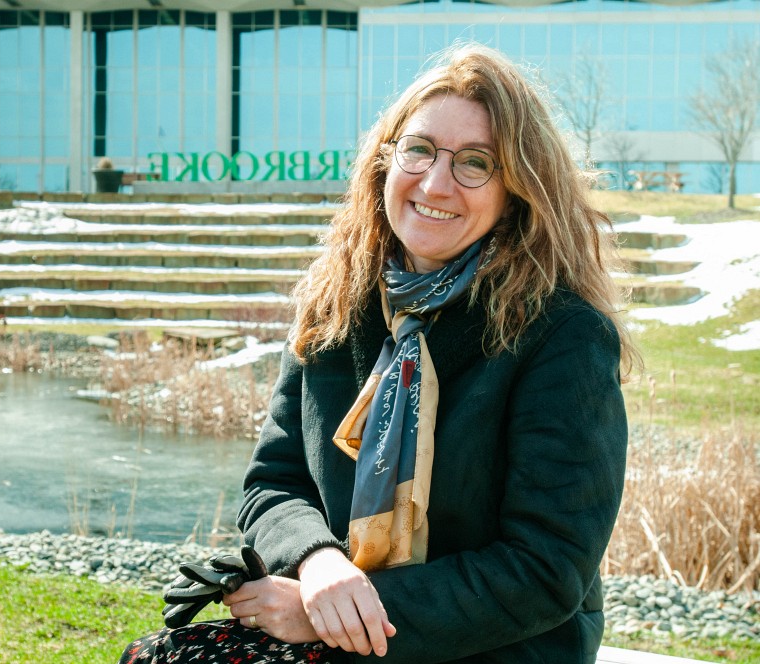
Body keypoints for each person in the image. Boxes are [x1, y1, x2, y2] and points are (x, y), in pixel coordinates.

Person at [118, 42, 636, 664]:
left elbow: (546, 569)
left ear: (517, 191)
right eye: (419, 150)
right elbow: (273, 484)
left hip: (498, 646)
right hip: (343, 614)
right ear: (385, 160)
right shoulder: (339, 302)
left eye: (476, 163)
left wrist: (331, 612)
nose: (436, 182)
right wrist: (316, 562)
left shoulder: (561, 334)